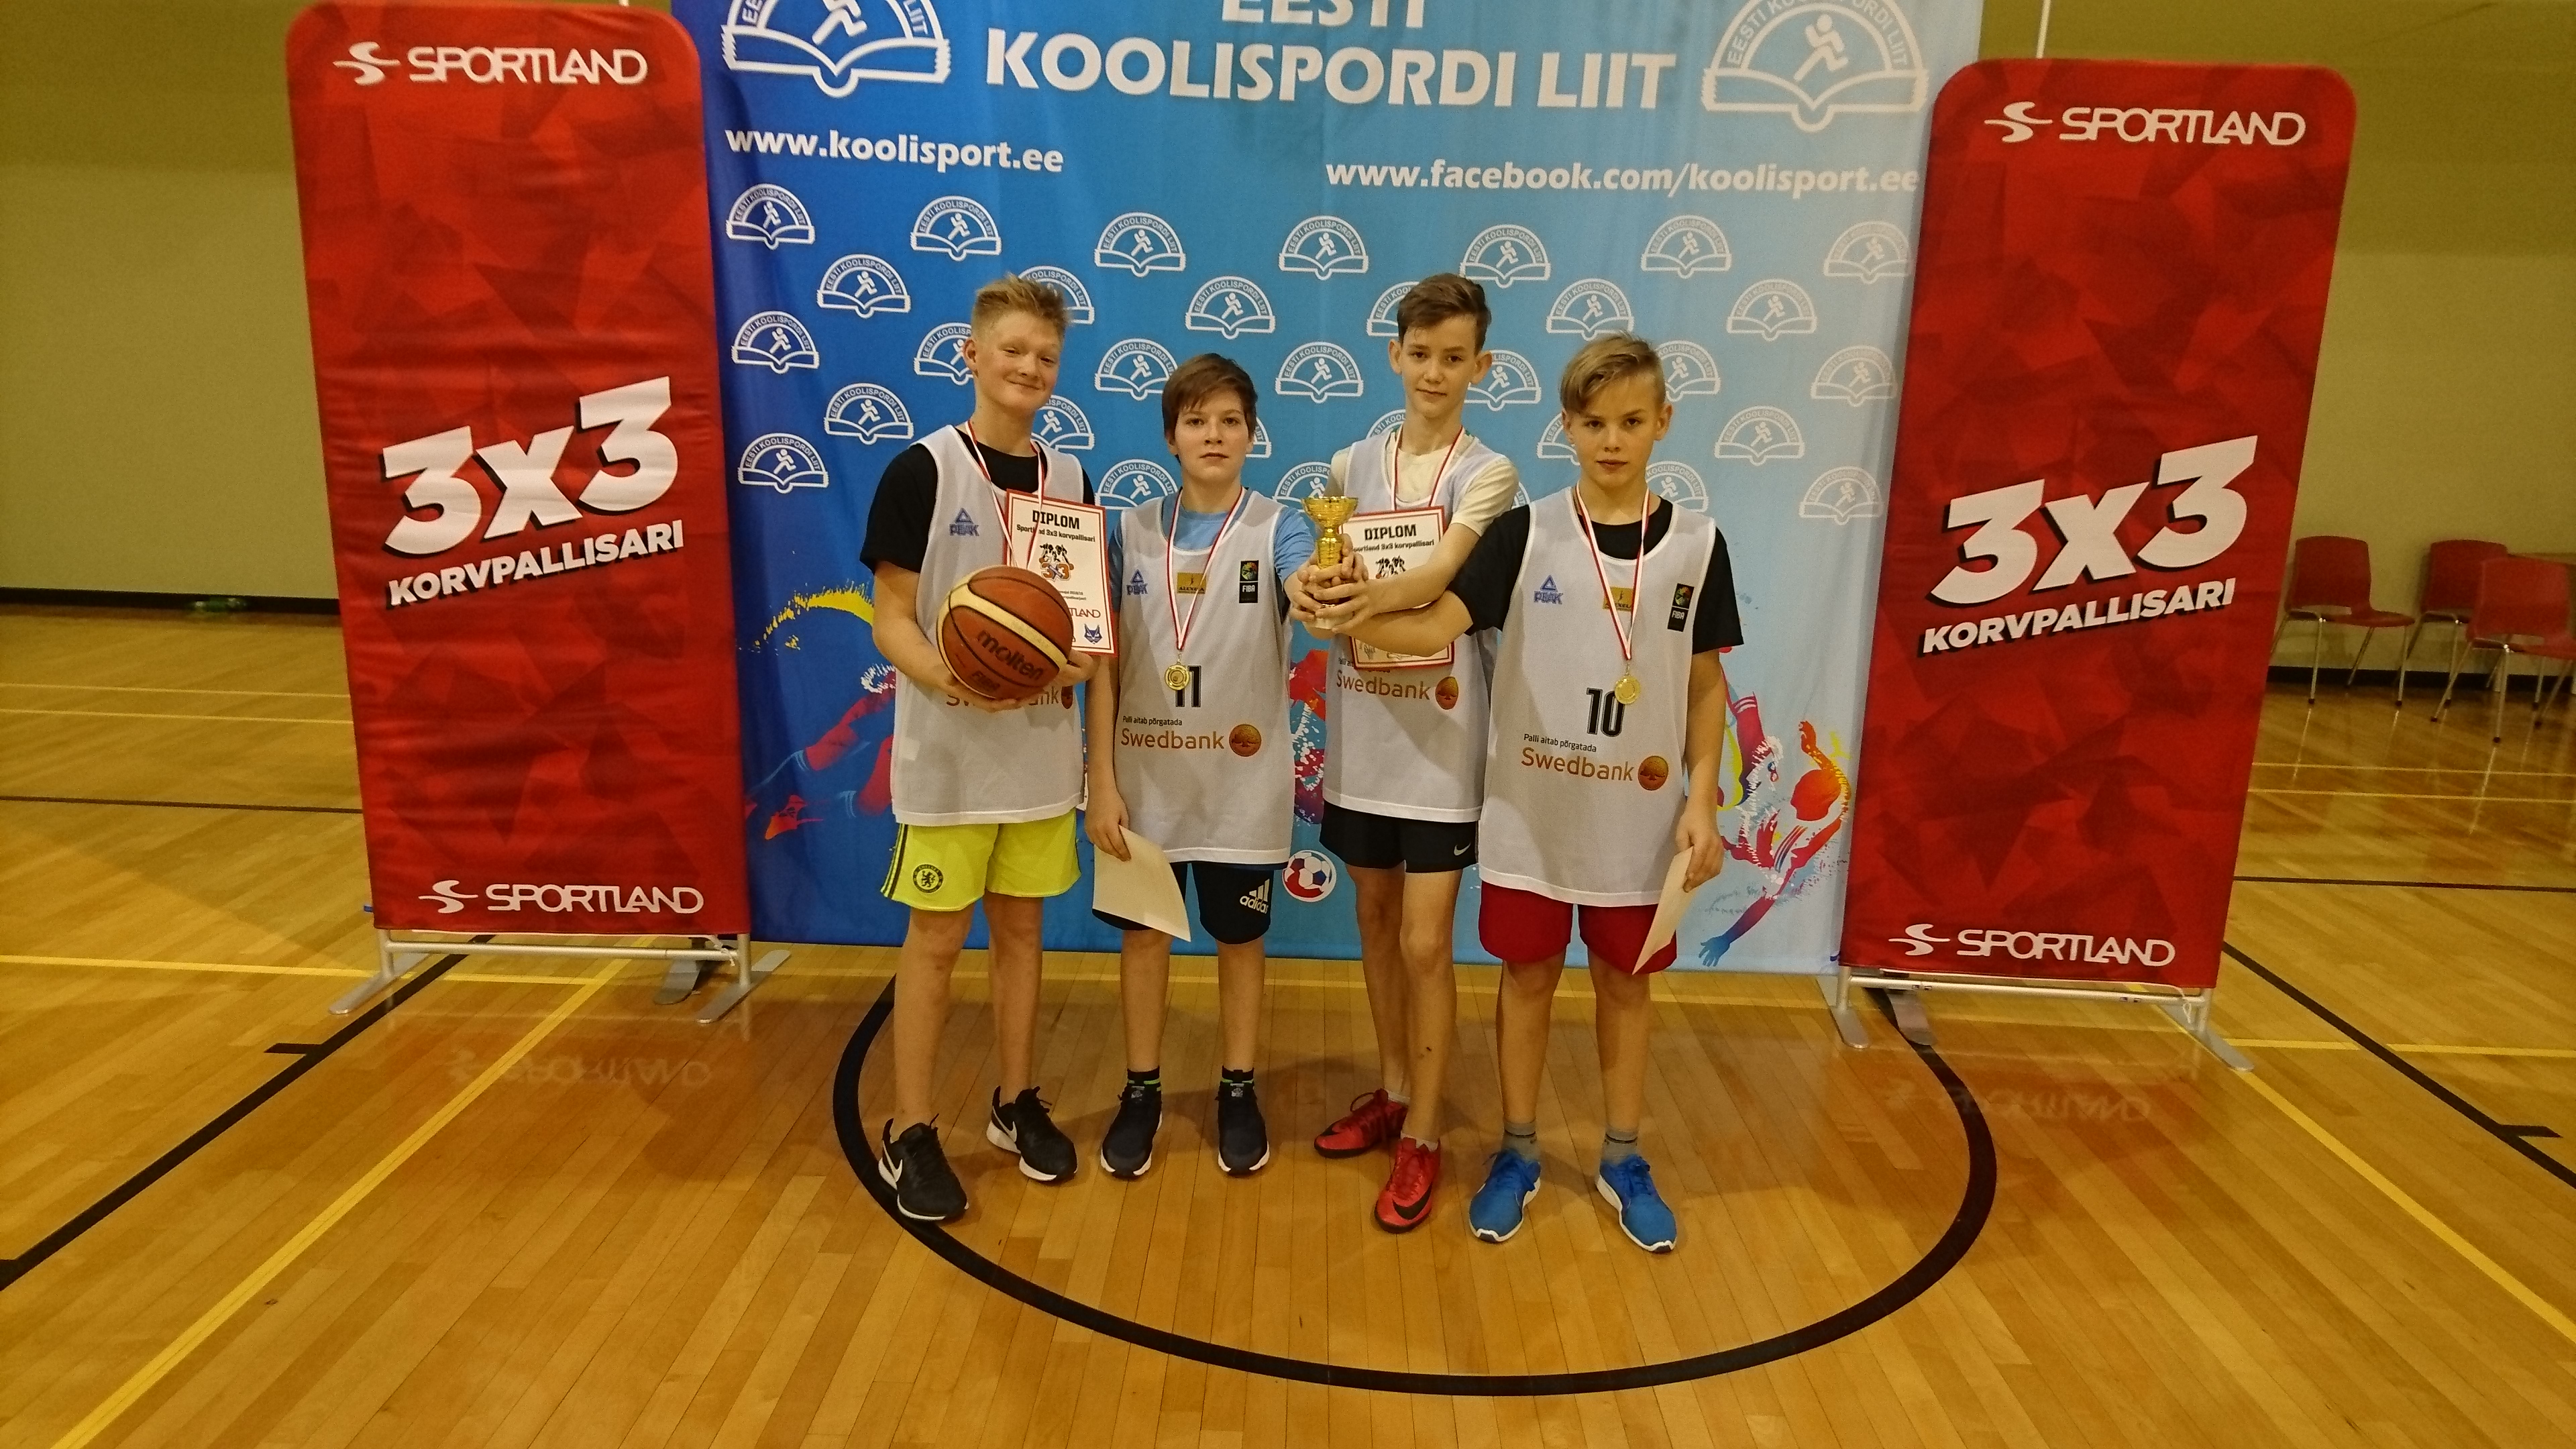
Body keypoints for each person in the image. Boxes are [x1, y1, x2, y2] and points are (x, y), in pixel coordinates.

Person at [1341, 333, 1739, 1252]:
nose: (1612, 440)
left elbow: (1705, 682)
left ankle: (1623, 1156)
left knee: (1626, 985)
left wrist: (1703, 798)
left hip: (1638, 822)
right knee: (1525, 979)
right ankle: (1517, 1149)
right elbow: (1439, 625)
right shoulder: (1525, 533)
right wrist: (1355, 613)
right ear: (1566, 427)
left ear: (1663, 422)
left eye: (1631, 421)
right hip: (1532, 813)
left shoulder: (1698, 545)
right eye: (1594, 423)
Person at [859, 274, 1098, 1222]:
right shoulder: (922, 470)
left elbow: (1080, 630)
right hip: (949, 758)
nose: (1030, 368)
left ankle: (1013, 1101)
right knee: (935, 941)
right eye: (1013, 350)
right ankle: (911, 1128)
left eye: (1046, 357)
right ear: (971, 355)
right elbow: (891, 619)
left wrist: (1067, 662)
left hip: (1039, 755)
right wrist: (958, 679)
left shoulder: (1071, 481)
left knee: (1024, 933)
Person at [1288, 273, 1523, 1232]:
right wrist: (1314, 591)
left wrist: (1354, 604)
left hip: (1442, 741)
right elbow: (1330, 571)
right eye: (1420, 354)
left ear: (1481, 367)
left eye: (1453, 357)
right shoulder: (1350, 464)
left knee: (1428, 943)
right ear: (1394, 355)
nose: (1434, 371)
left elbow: (1437, 576)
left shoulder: (1489, 473)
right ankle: (1392, 1091)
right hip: (1365, 731)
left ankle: (1425, 1131)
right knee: (1376, 922)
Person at [1084, 354, 1315, 1179]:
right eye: (1195, 421)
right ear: (1170, 437)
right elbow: (1103, 661)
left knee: (1240, 941)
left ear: (1253, 434)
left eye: (1229, 421)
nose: (1213, 435)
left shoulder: (1283, 526)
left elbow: (1306, 584)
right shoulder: (1129, 530)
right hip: (1144, 786)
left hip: (1241, 790)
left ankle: (1238, 1087)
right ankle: (1141, 1089)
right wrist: (1101, 781)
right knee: (1144, 939)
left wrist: (1323, 586)